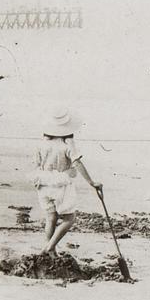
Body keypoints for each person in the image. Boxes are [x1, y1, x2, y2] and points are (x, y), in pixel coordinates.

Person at [33, 107, 101, 256]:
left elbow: (36, 164)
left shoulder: (41, 143)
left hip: (43, 182)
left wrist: (37, 179)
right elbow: (77, 163)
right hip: (60, 184)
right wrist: (91, 182)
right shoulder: (67, 144)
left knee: (51, 217)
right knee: (69, 219)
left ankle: (50, 250)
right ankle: (49, 247)